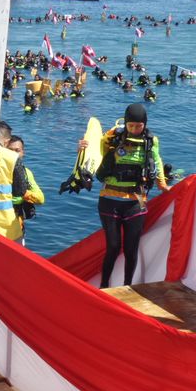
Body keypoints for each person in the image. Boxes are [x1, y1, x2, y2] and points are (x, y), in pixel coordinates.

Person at [78, 103, 169, 288]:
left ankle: (127, 287)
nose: (135, 129)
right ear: (125, 123)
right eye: (131, 126)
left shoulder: (151, 141)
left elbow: (157, 162)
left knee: (131, 248)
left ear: (145, 124)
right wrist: (83, 147)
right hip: (109, 200)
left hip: (137, 202)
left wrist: (163, 184)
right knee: (113, 246)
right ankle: (104, 286)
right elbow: (95, 153)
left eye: (139, 126)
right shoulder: (112, 138)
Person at [6, 135, 44, 243]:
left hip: (17, 229)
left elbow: (41, 198)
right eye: (10, 150)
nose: (13, 154)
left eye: (17, 150)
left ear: (23, 152)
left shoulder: (26, 173)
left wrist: (23, 194)